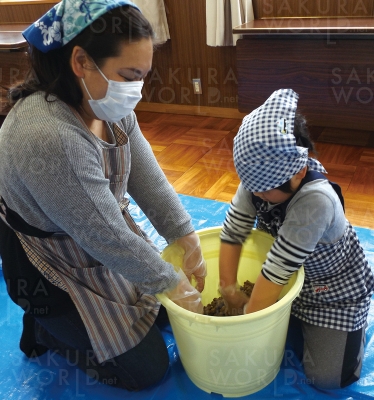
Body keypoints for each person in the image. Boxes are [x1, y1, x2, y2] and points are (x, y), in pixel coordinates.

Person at [0, 0, 206, 391]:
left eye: (142, 77)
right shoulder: (48, 136)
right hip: (51, 265)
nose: (136, 90)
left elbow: (146, 175)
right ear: (81, 61)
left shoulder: (102, 99)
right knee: (147, 369)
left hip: (98, 235)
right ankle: (46, 328)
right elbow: (104, 237)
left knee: (166, 308)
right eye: (129, 75)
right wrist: (168, 281)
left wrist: (185, 234)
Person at [218, 89, 374, 389]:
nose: (257, 195)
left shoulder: (316, 201)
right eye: (252, 187)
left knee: (328, 378)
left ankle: (354, 337)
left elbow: (278, 267)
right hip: (292, 285)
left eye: (265, 190)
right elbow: (233, 231)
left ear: (299, 170)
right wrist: (228, 291)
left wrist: (246, 323)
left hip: (333, 293)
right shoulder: (257, 182)